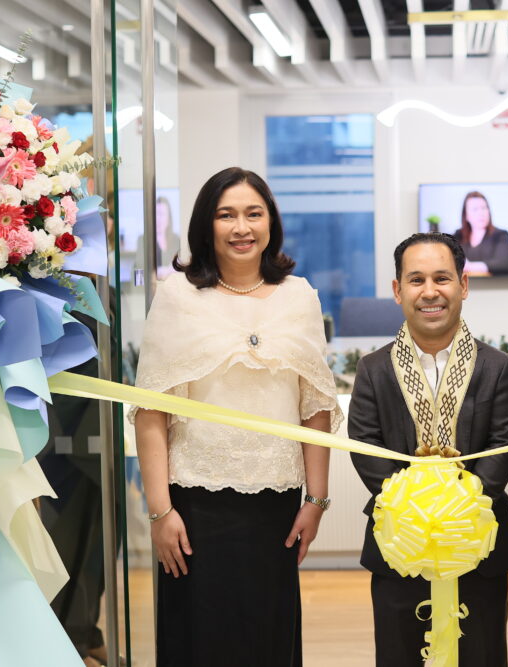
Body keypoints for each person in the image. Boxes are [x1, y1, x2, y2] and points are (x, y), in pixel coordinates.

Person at [130, 167, 341, 667]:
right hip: (194, 509)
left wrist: (316, 499)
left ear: (271, 223)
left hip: (276, 509)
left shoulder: (300, 297)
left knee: (268, 639)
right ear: (207, 224)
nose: (241, 227)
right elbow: (151, 410)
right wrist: (160, 513)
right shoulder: (177, 295)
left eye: (253, 213)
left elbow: (314, 407)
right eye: (226, 215)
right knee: (199, 642)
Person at [349, 233, 508, 666]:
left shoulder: (496, 367)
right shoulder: (373, 370)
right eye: (416, 280)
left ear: (463, 286)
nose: (430, 291)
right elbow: (365, 446)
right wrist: (414, 513)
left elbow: (504, 445)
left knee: (480, 654)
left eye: (442, 278)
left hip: (477, 544)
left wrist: (458, 515)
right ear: (397, 291)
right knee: (399, 654)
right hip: (399, 545)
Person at [453, 191, 508, 275]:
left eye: (484, 208)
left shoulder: (500, 235)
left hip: (493, 286)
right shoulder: (458, 236)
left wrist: (470, 267)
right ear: (466, 215)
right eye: (475, 209)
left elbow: (505, 263)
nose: (481, 213)